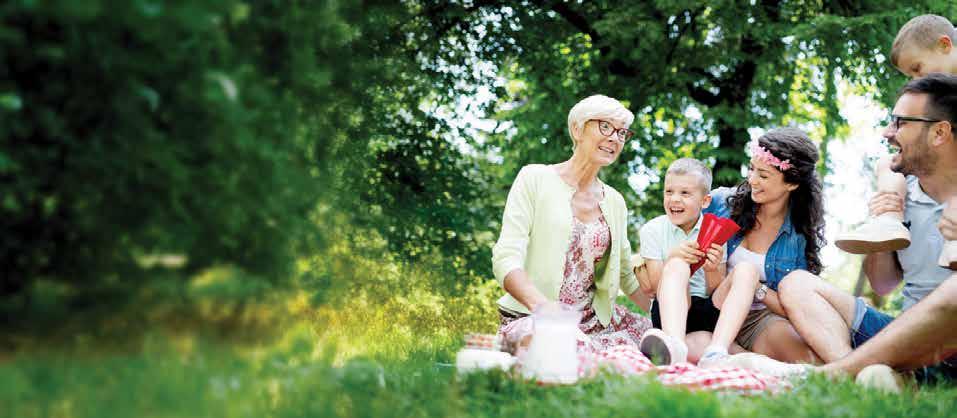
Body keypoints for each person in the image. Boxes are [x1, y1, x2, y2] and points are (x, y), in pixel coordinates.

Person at [780, 74, 957, 385]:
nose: (887, 133)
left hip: (949, 338)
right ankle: (860, 375)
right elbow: (883, 284)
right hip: (904, 334)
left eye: (900, 123)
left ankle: (845, 375)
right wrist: (883, 228)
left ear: (939, 132)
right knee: (796, 283)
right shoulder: (898, 193)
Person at [492, 94, 652, 353]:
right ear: (577, 129)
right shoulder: (534, 178)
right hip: (533, 317)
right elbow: (506, 258)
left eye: (622, 132)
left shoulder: (615, 201)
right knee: (561, 348)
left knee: (660, 340)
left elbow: (625, 274)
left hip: (594, 321)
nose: (614, 138)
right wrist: (543, 308)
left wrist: (669, 316)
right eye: (605, 126)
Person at [680, 128, 825, 365]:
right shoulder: (720, 203)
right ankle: (739, 357)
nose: (752, 180)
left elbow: (796, 306)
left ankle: (735, 356)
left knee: (806, 359)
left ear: (792, 183)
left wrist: (756, 288)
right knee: (691, 346)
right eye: (751, 168)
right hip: (714, 309)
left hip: (758, 319)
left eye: (763, 175)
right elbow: (672, 230)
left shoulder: (799, 236)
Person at [836, 14, 957, 269]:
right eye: (910, 75)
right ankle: (889, 220)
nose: (915, 79)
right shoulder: (936, 93)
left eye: (917, 68)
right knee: (886, 164)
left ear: (945, 45)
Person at [636, 158, 765, 366]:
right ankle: (675, 344)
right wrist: (673, 258)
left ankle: (716, 350)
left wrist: (711, 269)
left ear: (704, 201)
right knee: (677, 266)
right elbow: (655, 288)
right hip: (670, 314)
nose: (674, 199)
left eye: (685, 193)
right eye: (669, 192)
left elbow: (714, 290)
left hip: (706, 312)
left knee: (747, 270)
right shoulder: (652, 230)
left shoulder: (715, 230)